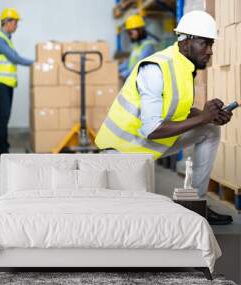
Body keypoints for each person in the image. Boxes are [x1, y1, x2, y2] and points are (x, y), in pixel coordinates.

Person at [95, 11, 233, 225]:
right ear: (186, 41)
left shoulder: (184, 68)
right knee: (134, 222)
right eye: (205, 44)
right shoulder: (155, 68)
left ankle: (197, 203)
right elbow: (151, 129)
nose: (209, 51)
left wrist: (209, 116)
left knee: (210, 129)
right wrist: (202, 117)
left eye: (211, 45)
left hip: (148, 146)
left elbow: (177, 110)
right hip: (123, 152)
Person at [0, 8, 34, 162]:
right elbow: (14, 58)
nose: (16, 26)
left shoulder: (6, 39)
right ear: (7, 22)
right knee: (3, 116)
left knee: (5, 116)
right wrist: (35, 63)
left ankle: (3, 148)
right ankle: (1, 151)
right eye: (15, 22)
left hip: (6, 83)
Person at [119, 14, 156, 79]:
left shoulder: (148, 46)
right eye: (129, 33)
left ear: (140, 30)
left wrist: (123, 74)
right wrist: (115, 69)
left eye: (131, 33)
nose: (130, 36)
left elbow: (138, 65)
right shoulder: (137, 46)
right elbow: (128, 63)